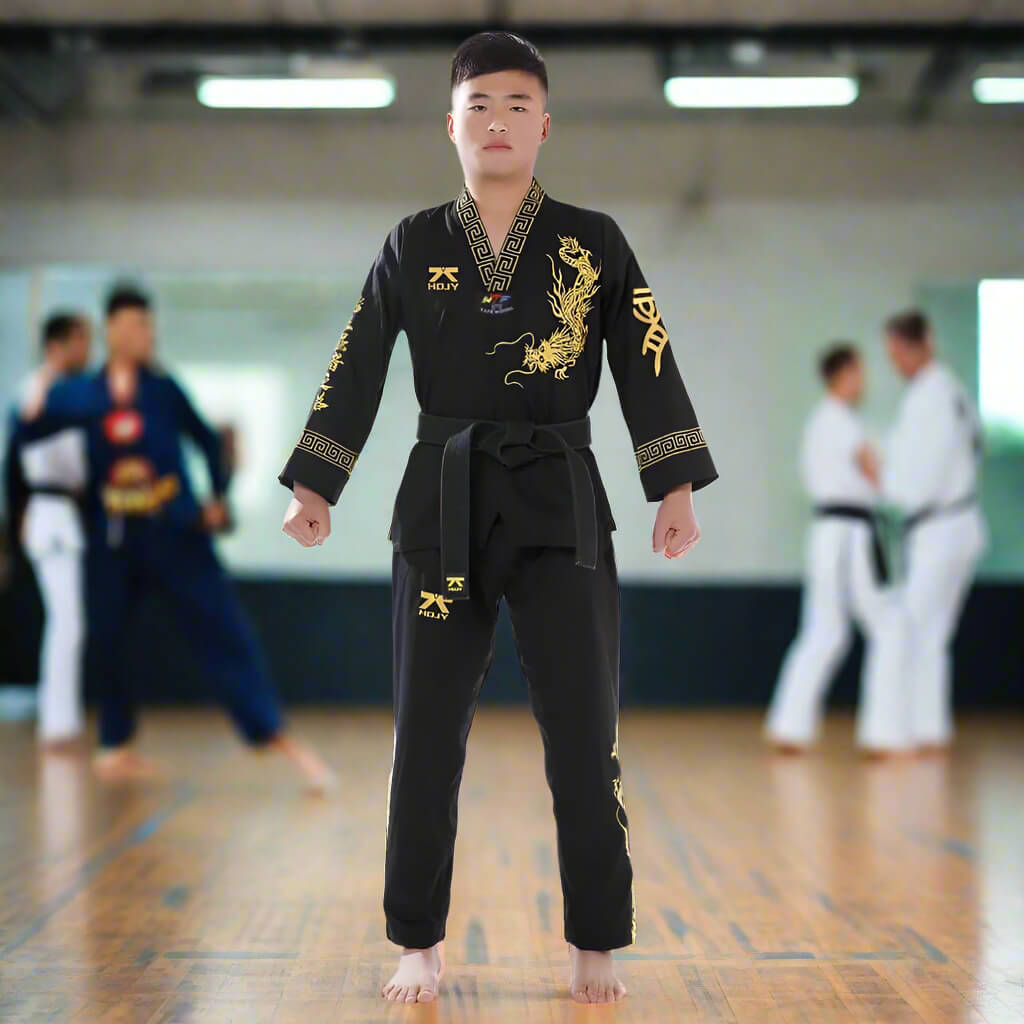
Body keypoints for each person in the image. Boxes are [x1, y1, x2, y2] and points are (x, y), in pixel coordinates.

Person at [279, 32, 717, 1004]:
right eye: (478, 105)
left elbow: (646, 354)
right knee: (425, 732)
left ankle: (596, 940)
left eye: (517, 105)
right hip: (444, 497)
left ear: (546, 125)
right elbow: (357, 359)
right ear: (449, 125)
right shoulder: (413, 243)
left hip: (562, 499)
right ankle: (416, 939)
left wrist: (673, 485)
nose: (497, 122)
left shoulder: (593, 242)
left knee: (582, 731)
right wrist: (316, 483)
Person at [21, 285, 332, 789]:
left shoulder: (163, 390)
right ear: (113, 332)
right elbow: (31, 432)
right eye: (136, 326)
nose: (147, 334)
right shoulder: (80, 395)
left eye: (149, 325)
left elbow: (209, 443)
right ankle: (114, 745)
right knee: (110, 640)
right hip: (113, 542)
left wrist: (218, 496)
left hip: (176, 534)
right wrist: (46, 383)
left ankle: (273, 733)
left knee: (223, 628)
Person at [765, 344, 909, 756]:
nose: (864, 381)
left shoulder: (820, 421)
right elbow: (873, 469)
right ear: (844, 374)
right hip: (851, 531)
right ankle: (885, 734)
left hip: (829, 530)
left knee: (824, 628)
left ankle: (788, 725)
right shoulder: (841, 420)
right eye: (860, 372)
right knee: (887, 624)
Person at [882, 310, 986, 753]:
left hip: (939, 526)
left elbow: (917, 480)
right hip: (956, 523)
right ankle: (929, 730)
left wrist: (881, 478)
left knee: (905, 627)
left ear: (918, 345)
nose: (895, 363)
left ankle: (892, 733)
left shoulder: (932, 395)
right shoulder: (951, 389)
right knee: (933, 634)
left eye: (897, 353)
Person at [3, 313, 91, 750]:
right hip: (47, 511)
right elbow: (16, 458)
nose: (88, 349)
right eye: (81, 340)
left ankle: (64, 717)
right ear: (60, 345)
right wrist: (18, 512)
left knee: (69, 621)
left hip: (67, 511)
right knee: (67, 621)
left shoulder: (74, 391)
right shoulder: (37, 391)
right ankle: (57, 722)